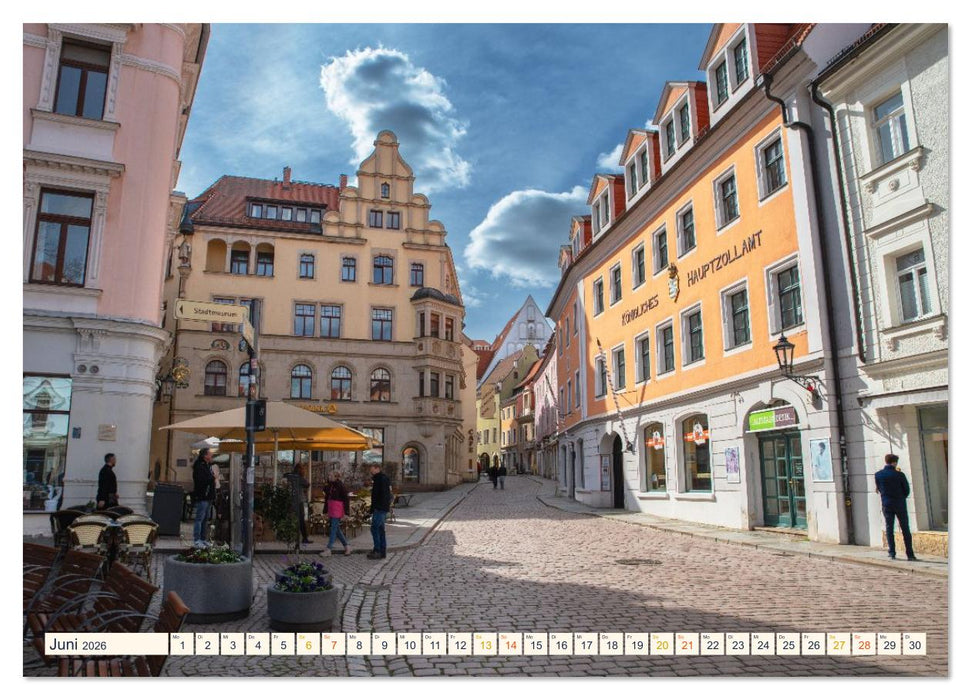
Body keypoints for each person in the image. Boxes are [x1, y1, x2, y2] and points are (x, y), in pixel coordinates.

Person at [875, 454, 917, 561]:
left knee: (889, 528)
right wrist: (901, 497)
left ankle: (892, 552)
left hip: (886, 503)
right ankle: (910, 554)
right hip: (899, 503)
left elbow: (879, 488)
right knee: (905, 528)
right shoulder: (899, 475)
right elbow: (906, 490)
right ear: (894, 462)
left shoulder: (878, 475)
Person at [324, 470, 352, 555]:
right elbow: (327, 498)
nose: (329, 477)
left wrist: (347, 513)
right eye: (329, 475)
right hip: (331, 508)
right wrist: (325, 511)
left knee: (333, 528)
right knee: (336, 529)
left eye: (331, 476)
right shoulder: (329, 485)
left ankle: (329, 549)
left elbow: (346, 499)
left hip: (337, 509)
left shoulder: (341, 485)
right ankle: (347, 546)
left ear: (336, 477)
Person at [192, 448, 215, 548]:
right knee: (199, 518)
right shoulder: (199, 466)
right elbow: (202, 480)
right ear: (205, 456)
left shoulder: (207, 465)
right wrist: (213, 477)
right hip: (203, 496)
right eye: (210, 454)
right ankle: (197, 540)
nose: (211, 456)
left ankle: (203, 539)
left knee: (205, 519)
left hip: (208, 496)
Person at [367, 464, 392, 559]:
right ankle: (382, 550)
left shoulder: (380, 479)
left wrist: (375, 508)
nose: (371, 471)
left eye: (372, 469)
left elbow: (380, 495)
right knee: (380, 529)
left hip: (380, 508)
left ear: (377, 469)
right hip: (382, 507)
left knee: (375, 528)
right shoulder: (381, 478)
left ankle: (377, 550)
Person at [285, 463, 313, 545]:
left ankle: (290, 537)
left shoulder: (290, 476)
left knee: (291, 518)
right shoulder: (300, 478)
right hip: (299, 501)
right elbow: (307, 484)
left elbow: (285, 476)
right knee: (301, 520)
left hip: (290, 500)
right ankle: (304, 538)